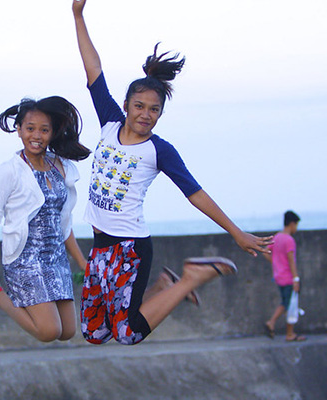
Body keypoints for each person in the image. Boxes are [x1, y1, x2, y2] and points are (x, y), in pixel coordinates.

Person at [72, 0, 273, 345]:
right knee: (94, 333)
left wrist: (236, 232)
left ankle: (189, 278)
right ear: (126, 106)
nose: (145, 115)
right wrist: (78, 15)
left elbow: (195, 193)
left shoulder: (159, 151)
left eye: (154, 110)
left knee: (129, 333)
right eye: (139, 106)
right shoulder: (109, 122)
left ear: (161, 113)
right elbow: (94, 70)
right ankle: (164, 285)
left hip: (130, 248)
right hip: (100, 246)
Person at [0, 96, 90, 342]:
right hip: (25, 259)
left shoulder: (60, 167)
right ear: (18, 131)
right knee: (49, 331)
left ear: (52, 133)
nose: (36, 135)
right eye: (30, 129)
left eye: (44, 130)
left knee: (68, 331)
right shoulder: (9, 171)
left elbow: (64, 223)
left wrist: (82, 262)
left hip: (55, 258)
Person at [263, 211, 306, 342]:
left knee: (287, 303)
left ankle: (289, 332)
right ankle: (275, 324)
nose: (296, 228)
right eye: (296, 225)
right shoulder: (289, 240)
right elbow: (291, 260)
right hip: (288, 277)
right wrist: (296, 279)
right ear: (292, 224)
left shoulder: (277, 237)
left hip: (278, 276)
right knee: (289, 304)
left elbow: (265, 251)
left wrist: (275, 263)